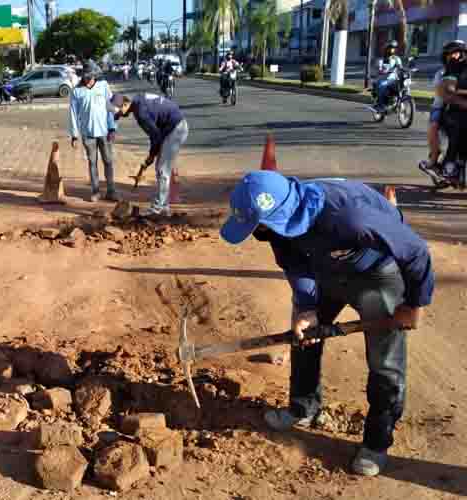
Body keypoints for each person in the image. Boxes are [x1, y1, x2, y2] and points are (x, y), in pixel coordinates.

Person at [220, 170, 434, 477]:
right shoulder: (275, 226)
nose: (260, 232)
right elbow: (293, 261)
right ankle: (303, 407)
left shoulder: (351, 217)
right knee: (304, 334)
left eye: (261, 225)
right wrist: (307, 306)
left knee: (385, 361)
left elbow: (416, 253)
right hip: (326, 271)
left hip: (376, 274)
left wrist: (413, 305)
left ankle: (376, 442)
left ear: (281, 213)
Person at [109, 92, 189, 217]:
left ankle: (158, 208)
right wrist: (152, 155)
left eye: (119, 111)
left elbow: (155, 136)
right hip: (170, 129)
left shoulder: (141, 113)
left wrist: (151, 156)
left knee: (162, 169)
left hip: (176, 129)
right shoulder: (138, 101)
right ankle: (163, 207)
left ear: (125, 104)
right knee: (161, 168)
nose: (119, 114)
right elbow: (156, 133)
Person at [69, 63, 119, 202]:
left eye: (89, 76)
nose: (87, 79)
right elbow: (73, 113)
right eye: (85, 76)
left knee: (108, 161)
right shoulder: (77, 91)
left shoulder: (103, 86)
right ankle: (95, 191)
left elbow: (110, 107)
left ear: (94, 75)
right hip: (87, 133)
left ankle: (111, 190)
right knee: (92, 162)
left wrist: (112, 128)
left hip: (104, 131)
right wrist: (74, 135)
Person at [420, 40, 465, 170]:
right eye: (451, 53)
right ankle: (434, 157)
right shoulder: (440, 73)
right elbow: (443, 94)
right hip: (441, 107)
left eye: (458, 53)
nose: (454, 56)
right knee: (434, 126)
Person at [374, 41, 403, 112]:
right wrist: (381, 70)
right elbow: (379, 69)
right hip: (384, 79)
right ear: (386, 49)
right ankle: (380, 105)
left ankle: (398, 102)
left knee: (403, 85)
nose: (392, 50)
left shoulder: (396, 58)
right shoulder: (381, 59)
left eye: (393, 48)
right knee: (382, 86)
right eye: (390, 48)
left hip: (394, 79)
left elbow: (400, 67)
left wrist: (405, 69)